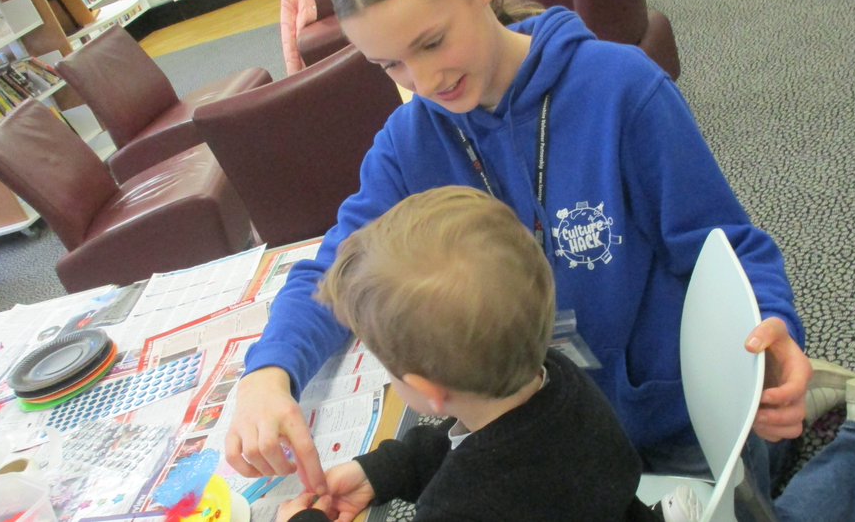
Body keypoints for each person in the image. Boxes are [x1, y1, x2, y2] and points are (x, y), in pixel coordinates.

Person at [226, 0, 855, 521]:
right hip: (543, 425)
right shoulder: (412, 140)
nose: (424, 80)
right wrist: (269, 372)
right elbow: (334, 266)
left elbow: (727, 245)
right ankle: (800, 412)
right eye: (391, 66)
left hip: (667, 414)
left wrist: (774, 326)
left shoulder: (619, 88)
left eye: (432, 42)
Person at [274, 187, 670, 522]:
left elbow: (482, 473)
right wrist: (383, 471)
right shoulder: (560, 377)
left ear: (425, 390)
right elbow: (472, 445)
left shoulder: (459, 507)